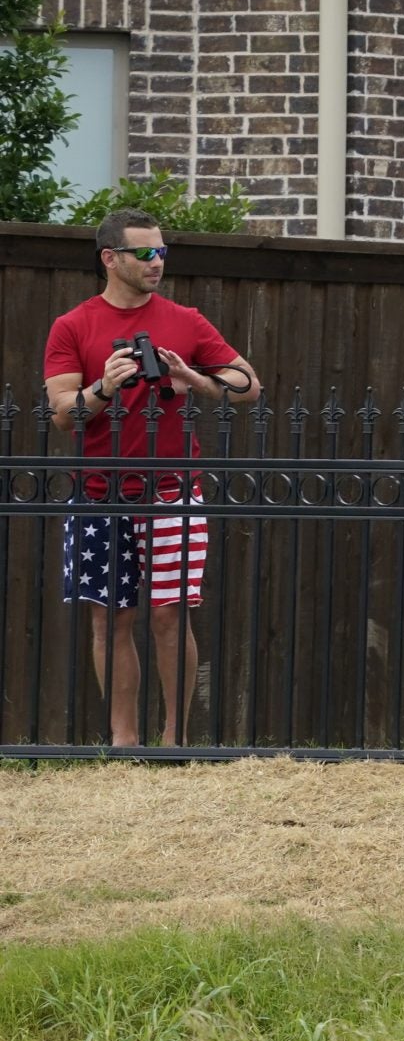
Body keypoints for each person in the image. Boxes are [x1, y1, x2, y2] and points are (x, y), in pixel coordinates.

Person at [42, 209, 263, 746]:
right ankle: (124, 741)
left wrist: (195, 378)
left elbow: (248, 385)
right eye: (144, 252)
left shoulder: (185, 320)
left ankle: (174, 740)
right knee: (109, 620)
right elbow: (62, 414)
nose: (157, 261)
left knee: (170, 617)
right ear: (110, 258)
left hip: (172, 492)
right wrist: (103, 388)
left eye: (161, 251)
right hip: (99, 495)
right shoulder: (73, 325)